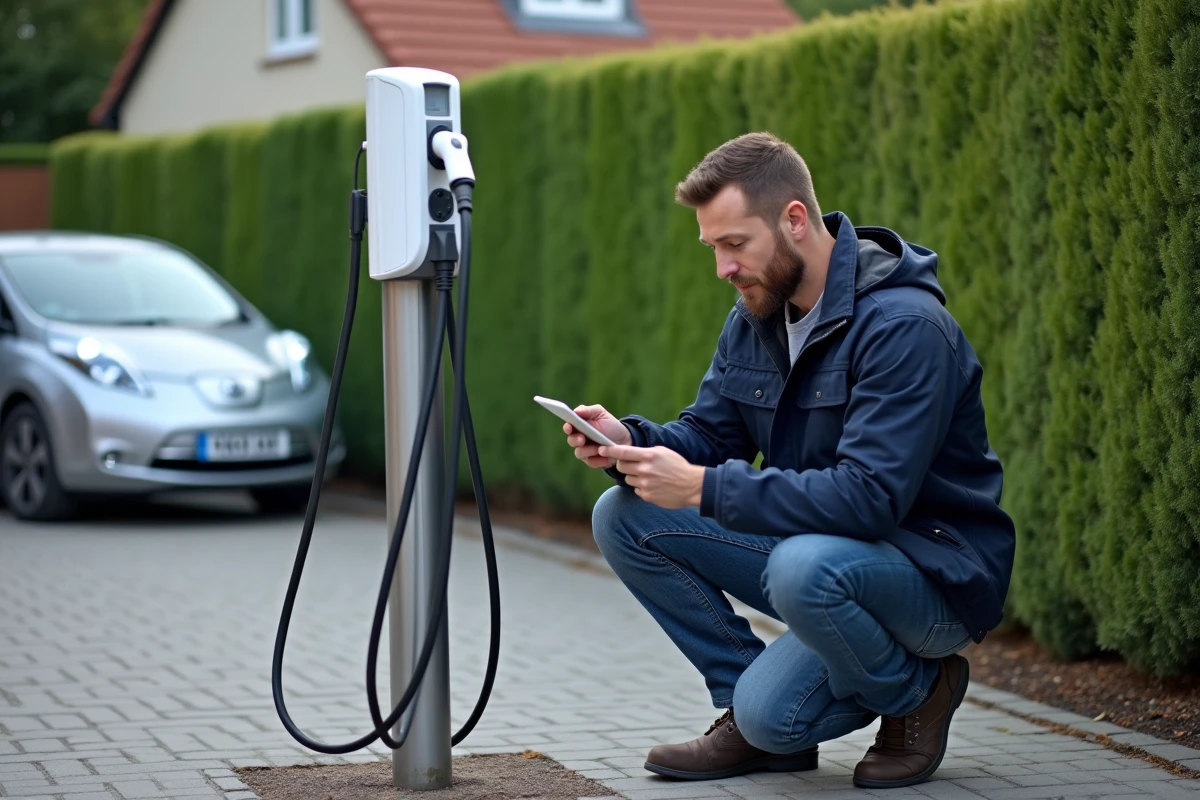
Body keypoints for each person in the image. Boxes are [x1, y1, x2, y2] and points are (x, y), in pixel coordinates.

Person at [561, 132, 1016, 789]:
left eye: (735, 243)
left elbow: (867, 500)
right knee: (625, 514)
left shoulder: (905, 327)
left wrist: (705, 487)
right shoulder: (756, 316)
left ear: (794, 220)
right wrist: (628, 443)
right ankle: (747, 708)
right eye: (713, 247)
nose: (723, 266)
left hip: (928, 570)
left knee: (804, 566)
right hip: (824, 556)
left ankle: (919, 689)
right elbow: (709, 437)